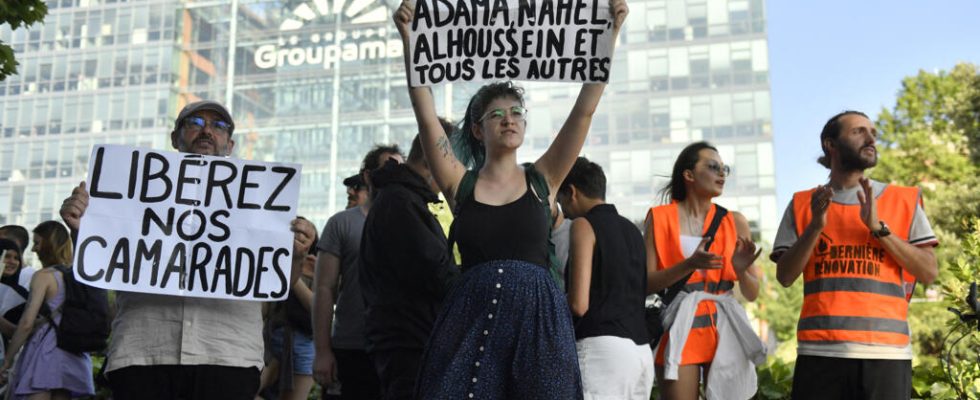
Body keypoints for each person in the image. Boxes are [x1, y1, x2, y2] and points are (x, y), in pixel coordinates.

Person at [392, 0, 628, 396]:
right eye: (497, 114)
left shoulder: (543, 178)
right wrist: (410, 40)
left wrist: (610, 38)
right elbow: (425, 114)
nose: (510, 118)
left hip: (540, 322)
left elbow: (583, 113)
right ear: (478, 130)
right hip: (471, 320)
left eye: (517, 112)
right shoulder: (458, 183)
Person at [57, 100, 317, 400]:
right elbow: (104, 262)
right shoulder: (131, 191)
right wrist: (82, 229)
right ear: (174, 137)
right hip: (143, 350)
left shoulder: (262, 202)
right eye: (195, 123)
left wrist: (296, 254)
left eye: (218, 126)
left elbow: (276, 282)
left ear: (229, 144)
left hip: (226, 352)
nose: (207, 131)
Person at [771, 111, 938, 400]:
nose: (871, 138)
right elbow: (785, 276)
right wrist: (815, 226)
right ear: (830, 145)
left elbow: (928, 272)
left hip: (887, 352)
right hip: (820, 351)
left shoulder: (903, 199)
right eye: (858, 131)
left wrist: (877, 228)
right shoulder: (802, 203)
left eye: (872, 131)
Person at [644, 141, 762, 400]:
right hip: (678, 325)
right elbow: (647, 283)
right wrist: (689, 265)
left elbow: (752, 293)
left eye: (724, 168)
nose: (722, 174)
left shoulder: (736, 222)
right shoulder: (659, 217)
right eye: (713, 167)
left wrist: (742, 271)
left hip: (725, 327)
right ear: (689, 175)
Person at [359, 131, 460, 400]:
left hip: (414, 339)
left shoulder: (404, 199)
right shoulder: (400, 202)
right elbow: (434, 270)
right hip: (410, 343)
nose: (457, 173)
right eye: (455, 162)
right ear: (434, 159)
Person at [557, 157, 653, 399]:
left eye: (561, 201)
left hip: (602, 350)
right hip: (641, 353)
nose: (563, 212)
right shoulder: (632, 229)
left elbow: (579, 304)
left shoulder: (582, 225)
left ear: (572, 192)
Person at [312, 145, 403, 400]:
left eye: (400, 169)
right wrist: (322, 351)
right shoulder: (341, 223)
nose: (394, 175)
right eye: (388, 167)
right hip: (350, 347)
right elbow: (323, 288)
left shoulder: (413, 222)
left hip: (397, 348)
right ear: (367, 176)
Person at [0, 221, 94, 399]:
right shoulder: (77, 274)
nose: (34, 249)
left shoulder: (44, 276)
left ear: (48, 244)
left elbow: (26, 323)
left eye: (37, 243)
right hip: (73, 349)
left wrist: (7, 361)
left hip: (45, 350)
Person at [259, 221, 319, 400]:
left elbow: (316, 307)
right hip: (271, 341)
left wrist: (294, 270)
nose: (297, 241)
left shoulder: (315, 267)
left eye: (303, 238)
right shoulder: (269, 265)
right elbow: (264, 310)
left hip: (301, 342)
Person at [0, 239, 34, 341]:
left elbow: (24, 331)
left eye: (16, 258)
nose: (12, 262)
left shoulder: (21, 294)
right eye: (7, 256)